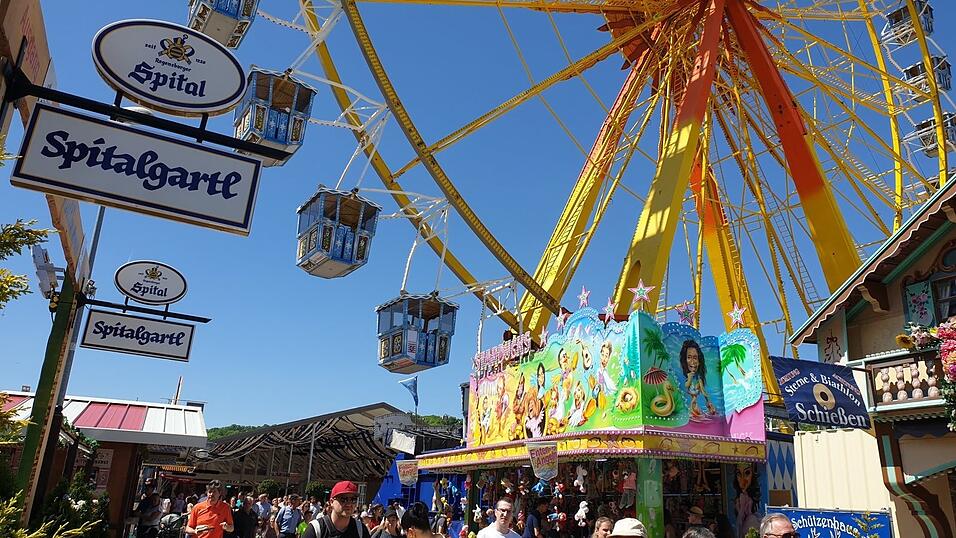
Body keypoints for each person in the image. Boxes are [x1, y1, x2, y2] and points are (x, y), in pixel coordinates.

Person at [301, 480, 372, 538]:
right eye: (343, 499)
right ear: (331, 502)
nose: (349, 504)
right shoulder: (316, 528)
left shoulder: (361, 530)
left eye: (353, 499)